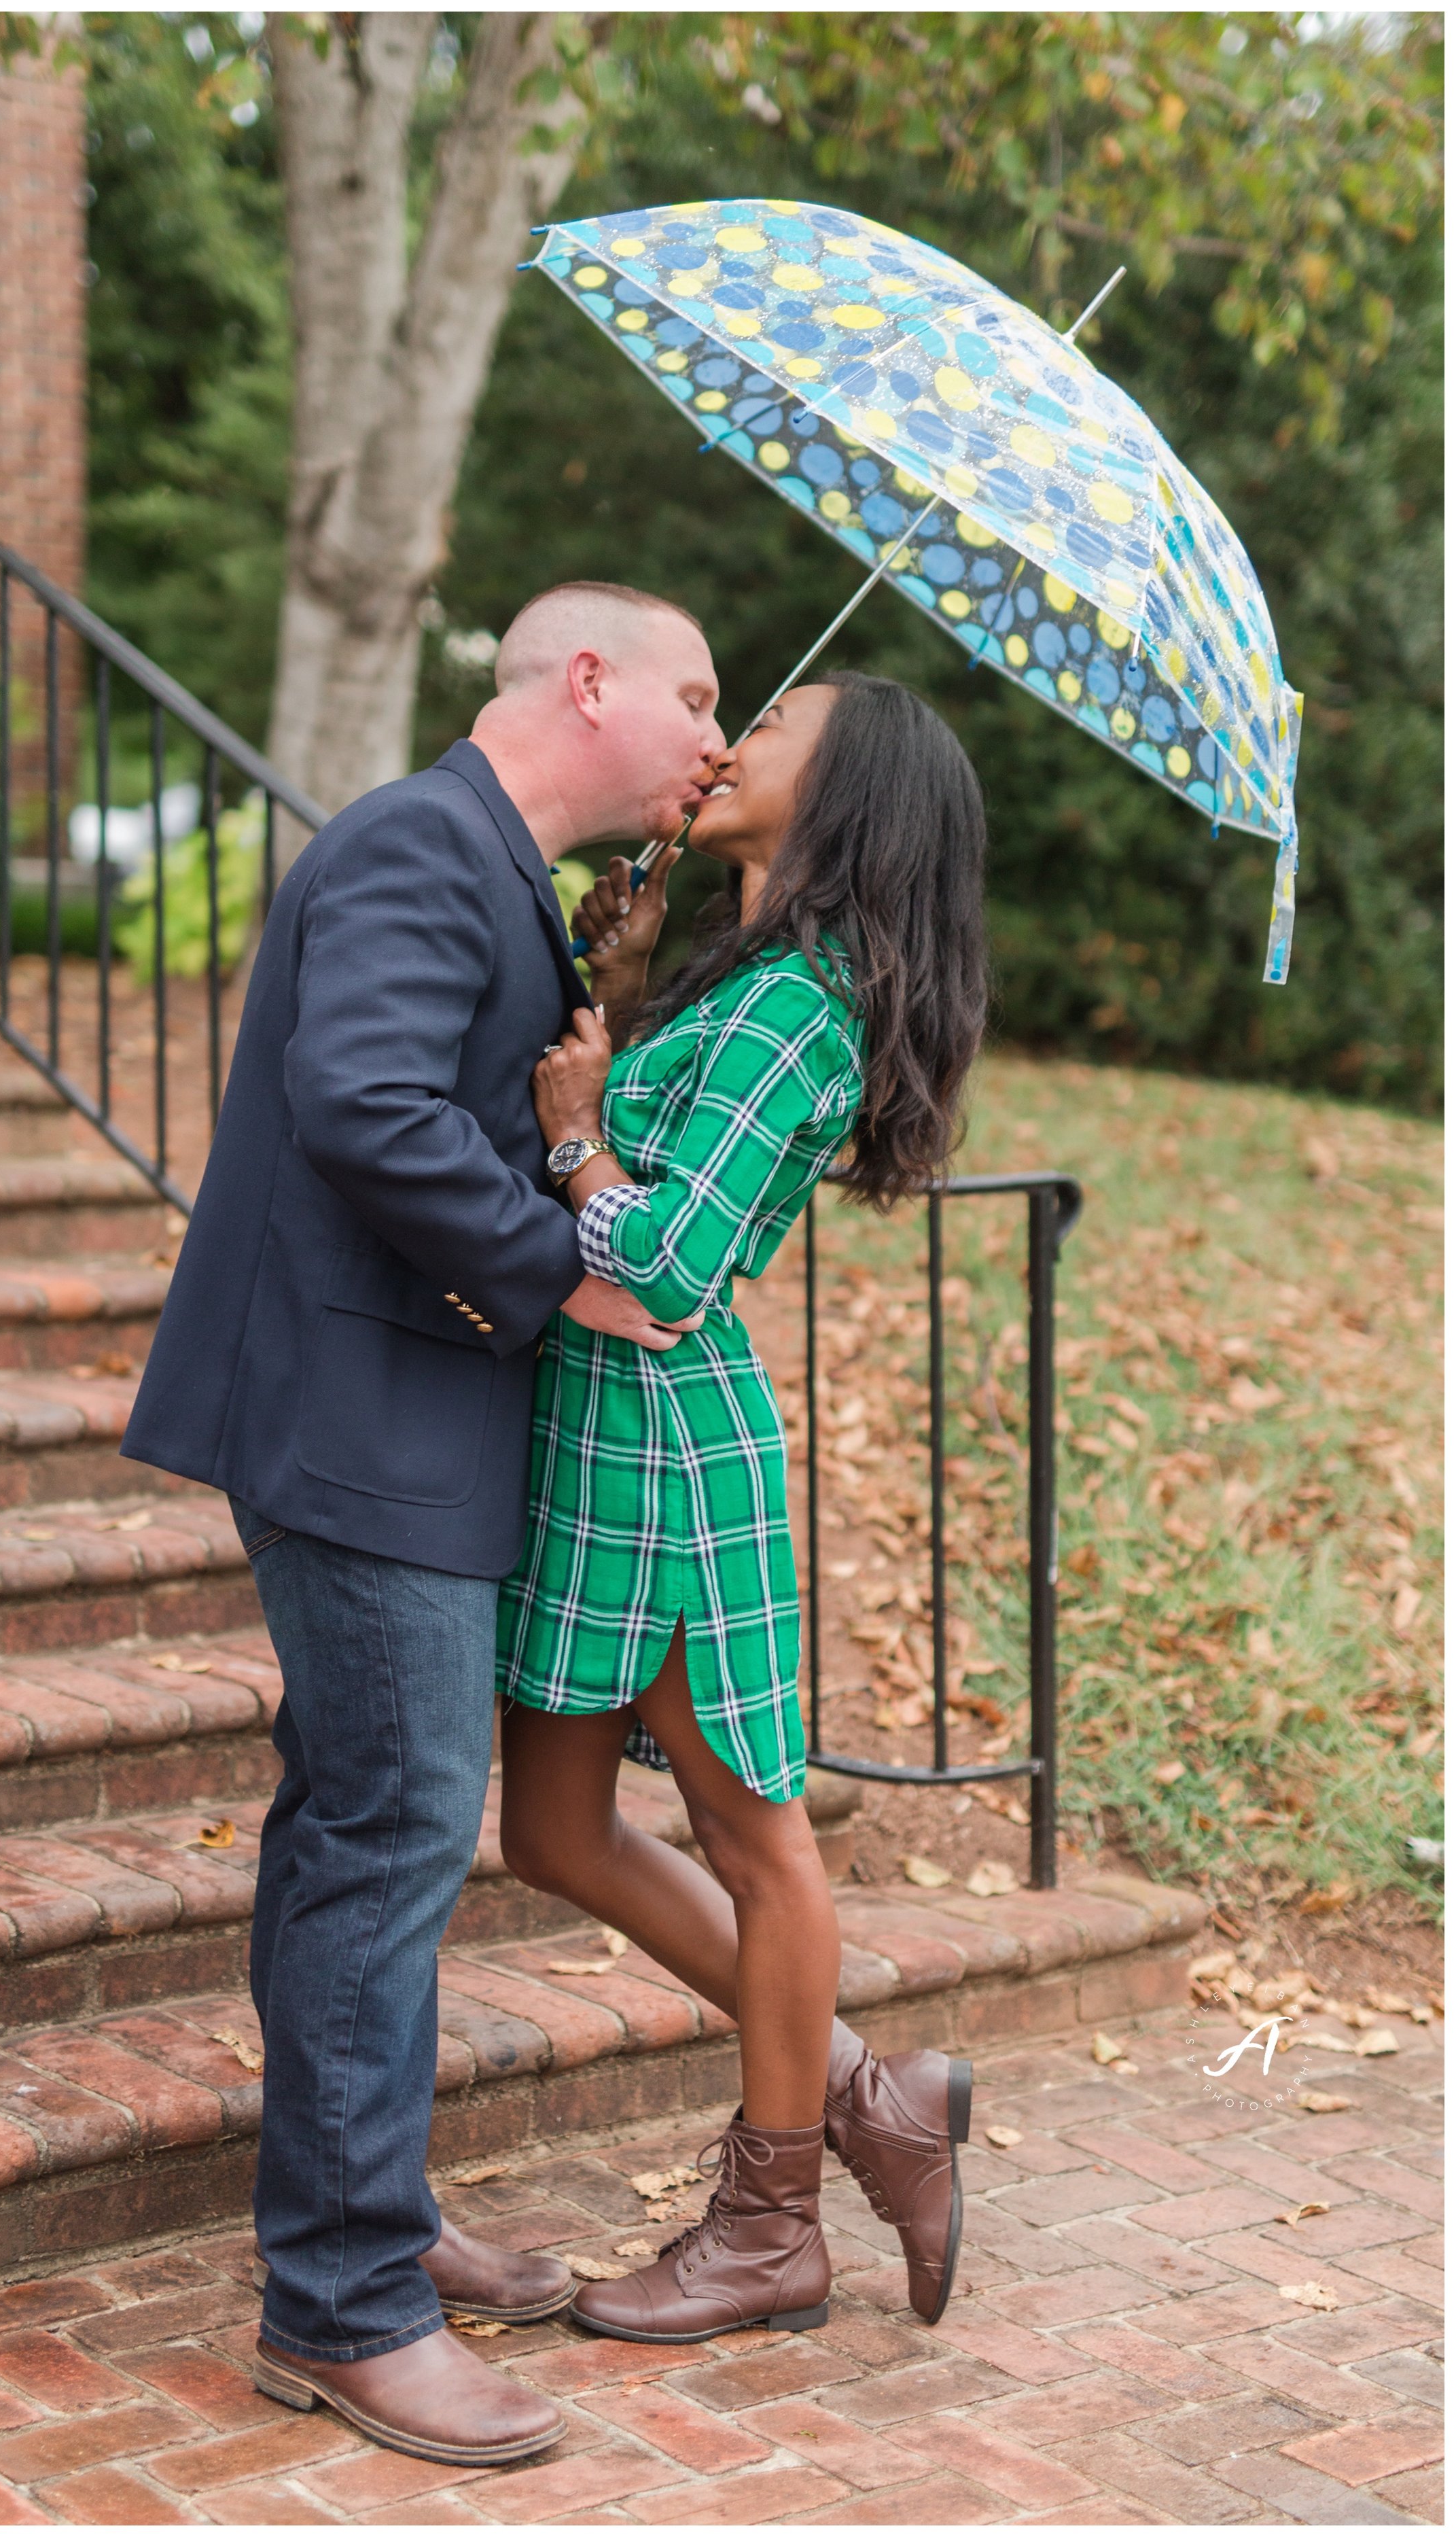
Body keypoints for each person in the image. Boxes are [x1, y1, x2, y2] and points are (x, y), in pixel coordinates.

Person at [121, 583, 724, 2464]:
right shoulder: (410, 839)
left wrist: (585, 1013)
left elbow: (435, 1089)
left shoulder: (503, 873)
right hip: (352, 1414)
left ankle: (365, 2208)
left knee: (359, 1826)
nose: (718, 735)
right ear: (588, 678)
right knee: (386, 1832)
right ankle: (344, 2299)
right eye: (700, 694)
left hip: (405, 1411)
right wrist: (561, 1262)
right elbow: (362, 1101)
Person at [497, 672, 990, 2344]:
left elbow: (677, 1265)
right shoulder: (750, 981)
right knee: (552, 1830)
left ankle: (772, 2217)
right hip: (593, 1435)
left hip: (670, 1451)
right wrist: (611, 995)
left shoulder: (800, 1009)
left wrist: (574, 1144)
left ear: (842, 787)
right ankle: (871, 2096)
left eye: (764, 725)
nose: (726, 742)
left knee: (755, 1839)